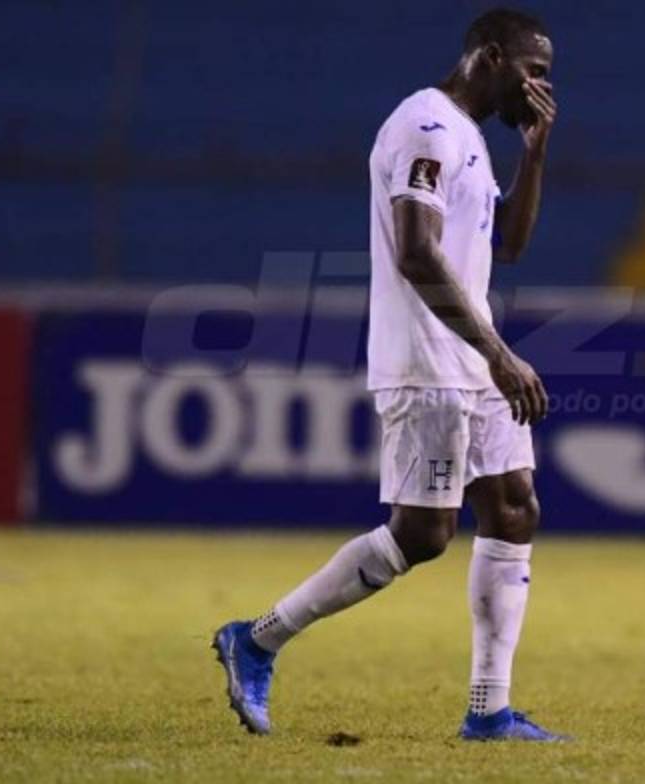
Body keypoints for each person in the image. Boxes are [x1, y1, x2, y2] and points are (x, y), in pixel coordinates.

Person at [213, 8, 564, 741]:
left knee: (514, 505)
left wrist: (534, 153)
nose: (541, 87)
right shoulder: (426, 126)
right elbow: (414, 252)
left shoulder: (471, 138)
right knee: (424, 534)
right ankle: (259, 638)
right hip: (428, 359)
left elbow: (510, 244)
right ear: (490, 57)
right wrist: (500, 353)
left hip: (470, 357)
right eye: (533, 71)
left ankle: (490, 710)